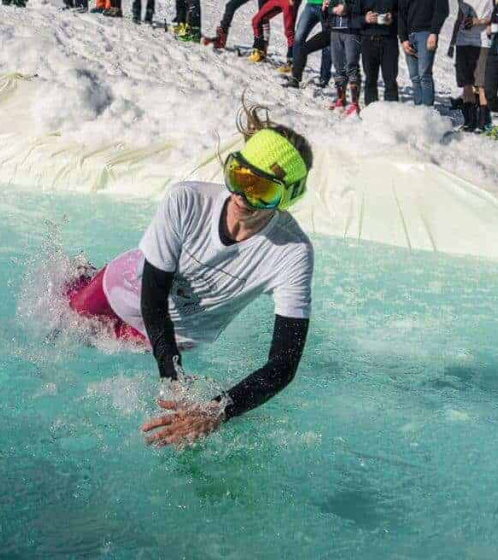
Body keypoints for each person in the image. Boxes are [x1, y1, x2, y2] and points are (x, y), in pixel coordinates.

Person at [63, 106, 315, 448]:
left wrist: (217, 411)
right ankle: (77, 274)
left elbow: (284, 364)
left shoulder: (292, 252)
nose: (242, 195)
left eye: (262, 190)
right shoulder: (187, 200)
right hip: (118, 289)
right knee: (60, 328)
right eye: (239, 176)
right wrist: (173, 377)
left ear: (286, 198)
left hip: (174, 333)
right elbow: (153, 298)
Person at [449, 0, 498, 132]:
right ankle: (469, 121)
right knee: (466, 83)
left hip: (483, 42)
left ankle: (482, 121)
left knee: (481, 83)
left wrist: (480, 22)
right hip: (463, 41)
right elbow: (459, 17)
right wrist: (452, 42)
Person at [398, 0, 450, 107]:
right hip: (410, 36)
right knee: (414, 76)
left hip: (426, 33)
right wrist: (403, 39)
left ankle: (427, 111)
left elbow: (441, 9)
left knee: (424, 74)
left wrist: (434, 33)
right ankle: (418, 108)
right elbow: (401, 15)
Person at [354, 0, 401, 105]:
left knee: (390, 79)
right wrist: (365, 19)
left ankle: (392, 114)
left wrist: (393, 18)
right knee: (370, 80)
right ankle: (370, 113)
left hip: (389, 41)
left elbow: (405, 15)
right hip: (369, 41)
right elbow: (353, 18)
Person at [284, 0, 341, 89]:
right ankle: (295, 79)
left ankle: (328, 82)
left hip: (344, 32)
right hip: (330, 31)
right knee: (303, 48)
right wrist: (325, 10)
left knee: (343, 63)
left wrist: (337, 7)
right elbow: (327, 21)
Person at [327, 0, 366, 114]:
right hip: (336, 29)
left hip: (352, 30)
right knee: (338, 65)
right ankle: (341, 99)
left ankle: (355, 103)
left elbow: (363, 5)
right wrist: (332, 9)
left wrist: (347, 9)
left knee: (352, 65)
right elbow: (331, 5)